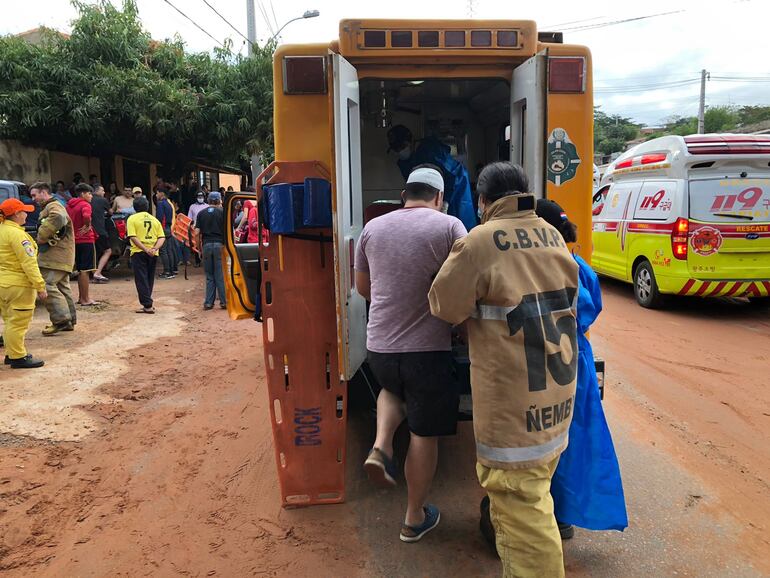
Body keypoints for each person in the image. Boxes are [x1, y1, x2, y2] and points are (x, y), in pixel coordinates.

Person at [428, 162, 579, 578]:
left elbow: (444, 304)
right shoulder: (552, 233)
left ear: (482, 201)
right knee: (535, 501)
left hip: (513, 413)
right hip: (553, 400)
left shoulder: (479, 242)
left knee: (525, 522)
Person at [354, 165, 467, 543]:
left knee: (393, 388)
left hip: (380, 348)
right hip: (428, 351)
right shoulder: (450, 226)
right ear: (438, 197)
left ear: (405, 195)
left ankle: (382, 444)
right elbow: (464, 285)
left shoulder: (372, 229)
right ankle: (414, 517)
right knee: (424, 433)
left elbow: (364, 288)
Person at [534, 199, 627, 537]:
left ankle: (548, 513)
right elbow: (593, 309)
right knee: (575, 439)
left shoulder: (539, 266)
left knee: (547, 438)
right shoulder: (578, 264)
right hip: (578, 361)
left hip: (547, 362)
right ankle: (565, 515)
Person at [0, 198, 47, 368]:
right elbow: (28, 263)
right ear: (16, 214)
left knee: (9, 320)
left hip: (3, 284)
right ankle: (18, 357)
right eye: (24, 211)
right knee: (18, 323)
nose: (27, 214)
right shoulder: (18, 234)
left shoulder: (3, 230)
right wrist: (40, 286)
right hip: (18, 285)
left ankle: (11, 353)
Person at [30, 182, 77, 335]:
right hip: (62, 257)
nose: (33, 199)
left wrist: (42, 235)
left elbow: (58, 217)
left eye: (34, 195)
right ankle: (69, 321)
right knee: (63, 287)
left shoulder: (53, 207)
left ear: (44, 192)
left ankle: (61, 321)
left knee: (47, 284)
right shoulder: (52, 206)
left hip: (54, 258)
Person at [126, 196, 165, 314]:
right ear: (147, 207)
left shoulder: (132, 219)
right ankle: (148, 302)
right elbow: (161, 237)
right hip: (153, 252)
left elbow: (132, 236)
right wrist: (154, 248)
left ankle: (147, 304)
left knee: (141, 278)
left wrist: (144, 249)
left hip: (139, 252)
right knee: (149, 277)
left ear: (134, 207)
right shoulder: (154, 220)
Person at [66, 184, 99, 306]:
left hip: (74, 240)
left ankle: (81, 298)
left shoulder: (69, 205)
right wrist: (87, 226)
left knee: (80, 270)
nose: (91, 196)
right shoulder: (85, 205)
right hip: (85, 240)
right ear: (83, 194)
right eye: (89, 193)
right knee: (85, 270)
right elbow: (86, 216)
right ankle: (86, 299)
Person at [194, 191, 227, 310]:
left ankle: (208, 303)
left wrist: (199, 249)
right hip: (220, 245)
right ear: (219, 200)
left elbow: (196, 233)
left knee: (209, 275)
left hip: (207, 245)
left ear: (208, 200)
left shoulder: (201, 213)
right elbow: (229, 231)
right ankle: (224, 302)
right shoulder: (223, 213)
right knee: (220, 274)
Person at [155, 186, 178, 279]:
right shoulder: (169, 204)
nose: (156, 195)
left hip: (163, 228)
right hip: (168, 227)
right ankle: (172, 271)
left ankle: (167, 271)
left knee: (163, 251)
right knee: (169, 250)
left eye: (157, 193)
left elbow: (159, 217)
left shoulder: (160, 204)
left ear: (162, 193)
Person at [90, 184, 112, 283]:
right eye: (102, 190)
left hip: (89, 231)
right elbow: (111, 212)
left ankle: (93, 273)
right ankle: (98, 272)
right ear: (96, 191)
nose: (103, 192)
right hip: (100, 230)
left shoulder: (87, 200)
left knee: (94, 253)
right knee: (108, 251)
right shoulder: (103, 200)